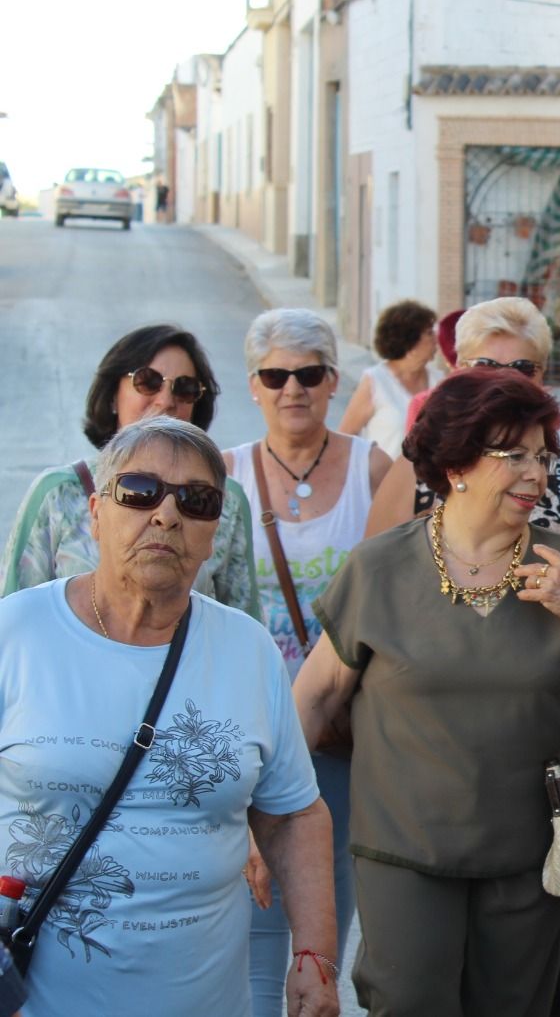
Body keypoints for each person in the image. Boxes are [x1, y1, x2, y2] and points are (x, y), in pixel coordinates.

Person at [293, 369, 560, 1014]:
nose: (536, 475)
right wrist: (270, 817)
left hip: (533, 855)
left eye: (543, 457)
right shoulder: (379, 568)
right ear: (456, 463)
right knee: (407, 1002)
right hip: (404, 850)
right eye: (515, 457)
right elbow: (312, 698)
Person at [0, 417, 337, 1016]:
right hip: (36, 997)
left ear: (214, 530)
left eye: (196, 500)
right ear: (96, 511)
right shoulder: (16, 632)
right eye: (139, 491)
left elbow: (293, 816)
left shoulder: (247, 648)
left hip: (203, 999)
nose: (166, 514)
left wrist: (314, 958)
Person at [220, 307, 390, 1017]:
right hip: (250, 733)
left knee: (325, 922)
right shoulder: (223, 477)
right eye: (275, 375)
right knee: (255, 922)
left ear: (332, 382)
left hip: (341, 733)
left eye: (309, 374)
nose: (293, 389)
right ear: (254, 385)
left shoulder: (373, 470)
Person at [366, 296, 560, 618]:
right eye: (486, 366)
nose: (506, 380)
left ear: (542, 375)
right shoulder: (418, 468)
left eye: (523, 367)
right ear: (457, 370)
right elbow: (375, 575)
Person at [3, 324, 259, 617]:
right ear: (113, 396)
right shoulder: (58, 493)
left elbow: (244, 618)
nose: (165, 400)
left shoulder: (225, 499)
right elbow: (12, 616)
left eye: (185, 387)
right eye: (148, 382)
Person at [338, 299, 445, 458]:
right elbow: (344, 438)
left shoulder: (440, 381)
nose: (436, 339)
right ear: (411, 341)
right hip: (384, 479)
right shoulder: (375, 381)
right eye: (429, 333)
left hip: (430, 480)